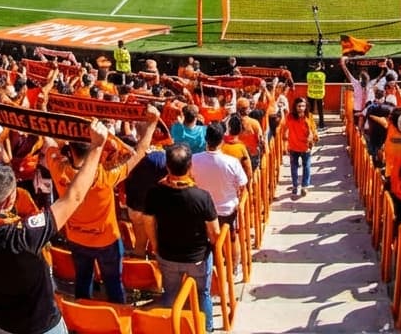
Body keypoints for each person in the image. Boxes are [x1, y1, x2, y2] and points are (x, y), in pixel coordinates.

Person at [0, 117, 110, 334]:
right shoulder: (24, 237)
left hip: (2, 322)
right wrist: (97, 147)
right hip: (41, 325)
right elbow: (74, 197)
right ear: (11, 200)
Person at [44, 109, 160, 303]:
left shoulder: (58, 167)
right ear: (94, 149)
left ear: (70, 149)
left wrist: (45, 110)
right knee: (113, 283)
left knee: (83, 279)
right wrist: (153, 123)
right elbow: (140, 152)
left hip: (76, 237)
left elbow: (48, 140)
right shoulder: (105, 176)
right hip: (106, 241)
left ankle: (83, 320)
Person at [142, 143, 220, 334]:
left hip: (167, 255)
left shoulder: (154, 193)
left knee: (171, 294)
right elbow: (215, 232)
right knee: (203, 294)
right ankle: (207, 329)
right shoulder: (202, 197)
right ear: (190, 166)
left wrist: (155, 245)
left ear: (167, 167)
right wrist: (211, 245)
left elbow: (148, 222)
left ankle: (171, 328)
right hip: (197, 258)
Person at [191, 122, 248, 273]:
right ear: (222, 139)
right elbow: (242, 184)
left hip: (201, 211)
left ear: (206, 139)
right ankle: (233, 267)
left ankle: (217, 271)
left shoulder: (194, 160)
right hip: (226, 210)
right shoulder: (232, 162)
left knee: (208, 241)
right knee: (232, 237)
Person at [284, 97, 318, 197]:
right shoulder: (290, 117)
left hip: (305, 147)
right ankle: (295, 186)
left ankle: (304, 186)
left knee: (306, 167)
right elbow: (285, 128)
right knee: (294, 168)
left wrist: (313, 139)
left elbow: (313, 129)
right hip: (294, 147)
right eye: (299, 106)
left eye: (303, 106)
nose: (301, 108)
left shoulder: (309, 117)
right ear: (295, 107)